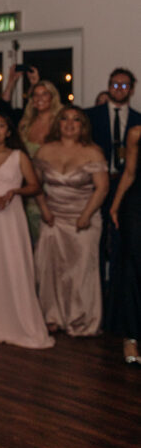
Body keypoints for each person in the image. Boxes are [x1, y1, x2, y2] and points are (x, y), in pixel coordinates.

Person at [0, 115, 53, 349]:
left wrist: (15, 191)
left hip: (12, 216)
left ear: (8, 132)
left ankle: (21, 322)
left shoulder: (19, 156)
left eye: (1, 125)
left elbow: (34, 185)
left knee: (16, 264)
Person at [33, 106, 108, 336]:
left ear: (83, 126)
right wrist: (44, 209)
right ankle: (51, 316)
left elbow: (102, 188)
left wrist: (85, 215)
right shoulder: (45, 151)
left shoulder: (93, 152)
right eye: (64, 119)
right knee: (49, 268)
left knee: (81, 269)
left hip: (84, 216)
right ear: (58, 124)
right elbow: (35, 185)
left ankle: (81, 319)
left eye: (76, 120)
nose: (69, 123)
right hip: (53, 216)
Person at [86, 68, 141, 289]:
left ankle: (117, 298)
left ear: (132, 89)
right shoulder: (91, 116)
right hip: (96, 184)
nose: (119, 89)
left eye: (124, 85)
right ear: (109, 87)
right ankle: (94, 295)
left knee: (121, 243)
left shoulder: (138, 121)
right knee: (94, 243)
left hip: (127, 188)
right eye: (115, 85)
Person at [11, 80, 62, 243]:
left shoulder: (61, 123)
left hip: (53, 186)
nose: (39, 98)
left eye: (44, 94)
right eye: (35, 94)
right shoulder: (25, 124)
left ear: (52, 97)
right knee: (29, 237)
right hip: (27, 185)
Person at [109, 125, 141, 364]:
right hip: (137, 207)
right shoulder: (136, 133)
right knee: (134, 269)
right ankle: (131, 338)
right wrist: (116, 205)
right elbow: (129, 173)